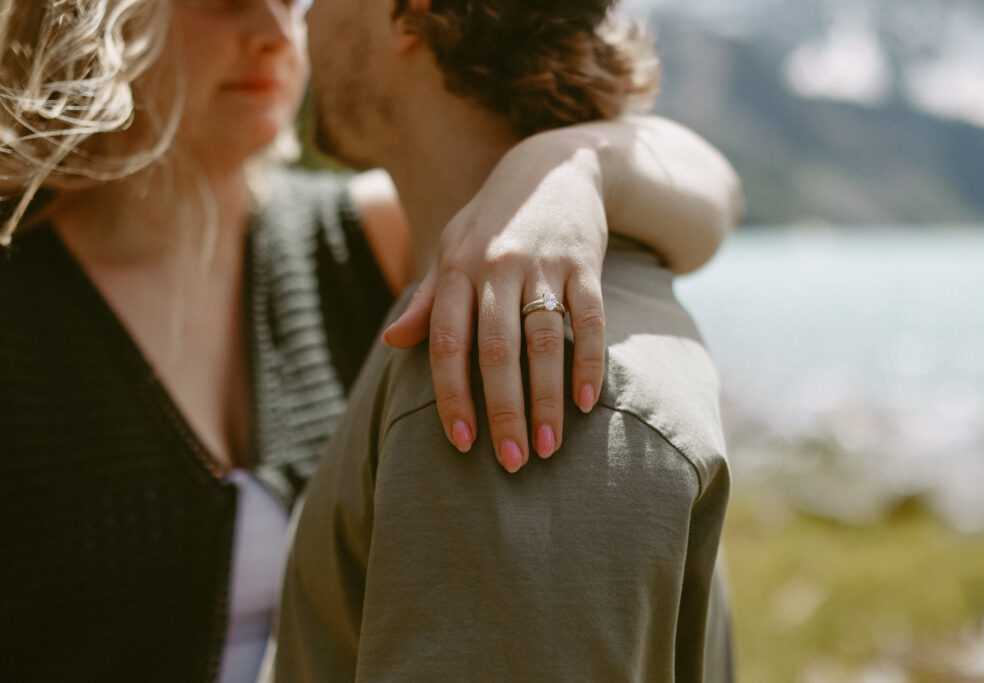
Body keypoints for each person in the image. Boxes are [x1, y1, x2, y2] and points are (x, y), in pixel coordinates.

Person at [0, 0, 740, 681]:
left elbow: (715, 191)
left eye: (289, 0)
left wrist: (574, 170)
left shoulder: (353, 239)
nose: (276, 32)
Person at [273, 0, 737, 680]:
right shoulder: (569, 304)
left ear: (414, 12)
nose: (304, 19)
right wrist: (575, 163)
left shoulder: (503, 373)